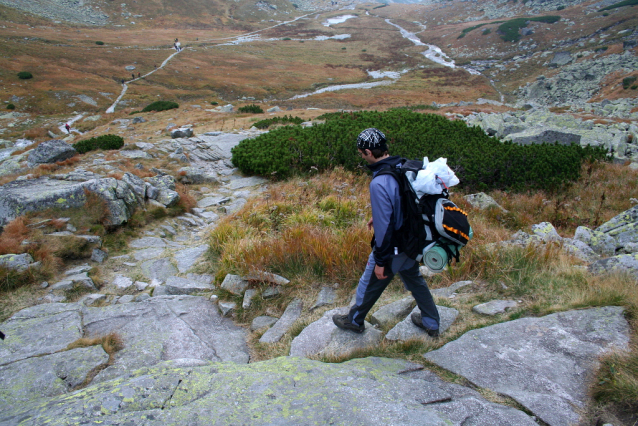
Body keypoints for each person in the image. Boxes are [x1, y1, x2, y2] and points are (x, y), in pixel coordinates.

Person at [332, 128, 440, 337]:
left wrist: (381, 260)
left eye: (361, 153)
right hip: (413, 239)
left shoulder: (379, 182)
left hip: (394, 246)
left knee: (370, 281)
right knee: (414, 279)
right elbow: (404, 199)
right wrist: (379, 213)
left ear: (368, 153)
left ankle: (354, 320)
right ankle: (431, 321)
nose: (361, 156)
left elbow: (384, 229)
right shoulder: (403, 165)